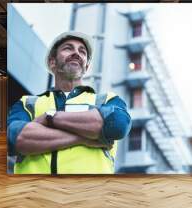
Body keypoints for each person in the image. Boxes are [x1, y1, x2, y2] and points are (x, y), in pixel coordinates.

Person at [7, 31, 132, 174]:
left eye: (82, 51)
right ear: (52, 62)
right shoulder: (27, 103)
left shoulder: (107, 100)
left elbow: (117, 125)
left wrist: (49, 118)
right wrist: (84, 138)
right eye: (68, 48)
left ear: (86, 67)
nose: (76, 53)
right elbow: (14, 139)